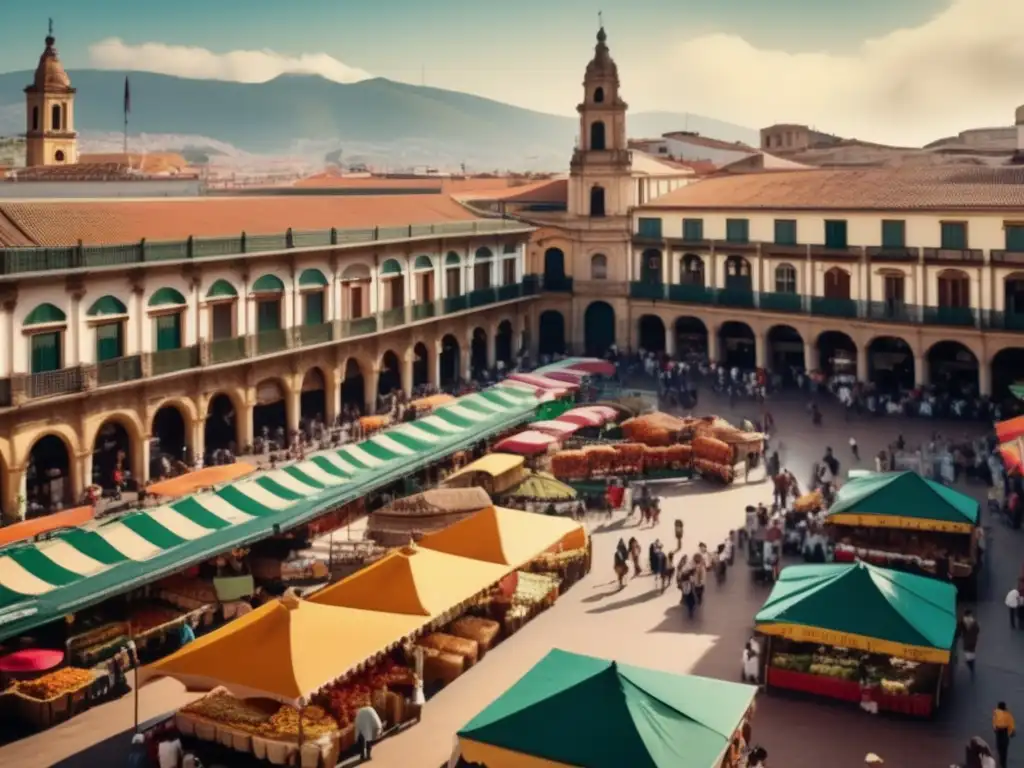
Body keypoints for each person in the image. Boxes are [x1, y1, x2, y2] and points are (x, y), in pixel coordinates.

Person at [993, 702, 1015, 767]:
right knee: (1004, 752)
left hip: (999, 733)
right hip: (1004, 734)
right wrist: (1011, 732)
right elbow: (1011, 725)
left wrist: (995, 729)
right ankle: (1003, 765)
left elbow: (994, 724)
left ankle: (1000, 763)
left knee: (999, 750)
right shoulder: (1008, 714)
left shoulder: (996, 713)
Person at [960, 610, 980, 679]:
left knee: (968, 656)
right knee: (971, 655)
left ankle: (972, 668)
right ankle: (972, 669)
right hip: (972, 641)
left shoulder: (962, 622)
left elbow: (959, 630)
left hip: (967, 641)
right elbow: (977, 630)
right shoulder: (974, 622)